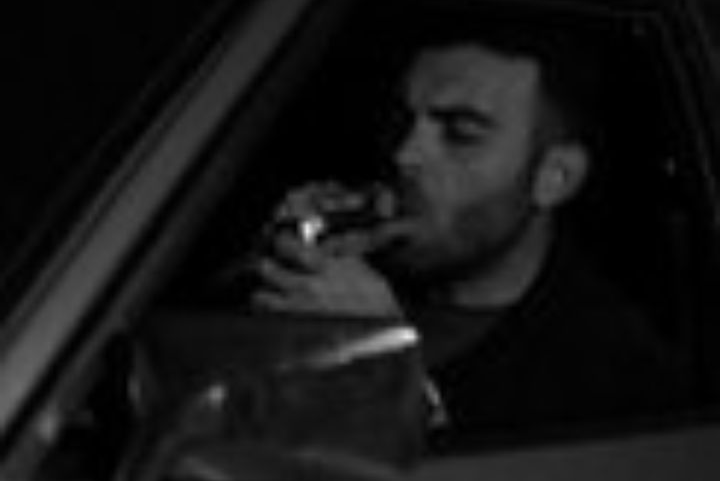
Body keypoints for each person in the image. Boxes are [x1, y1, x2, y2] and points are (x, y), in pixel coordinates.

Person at [249, 23, 683, 449]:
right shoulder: (365, 268)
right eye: (402, 120)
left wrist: (390, 370)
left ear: (554, 177)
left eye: (460, 134)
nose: (404, 155)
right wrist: (278, 260)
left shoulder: (611, 372)